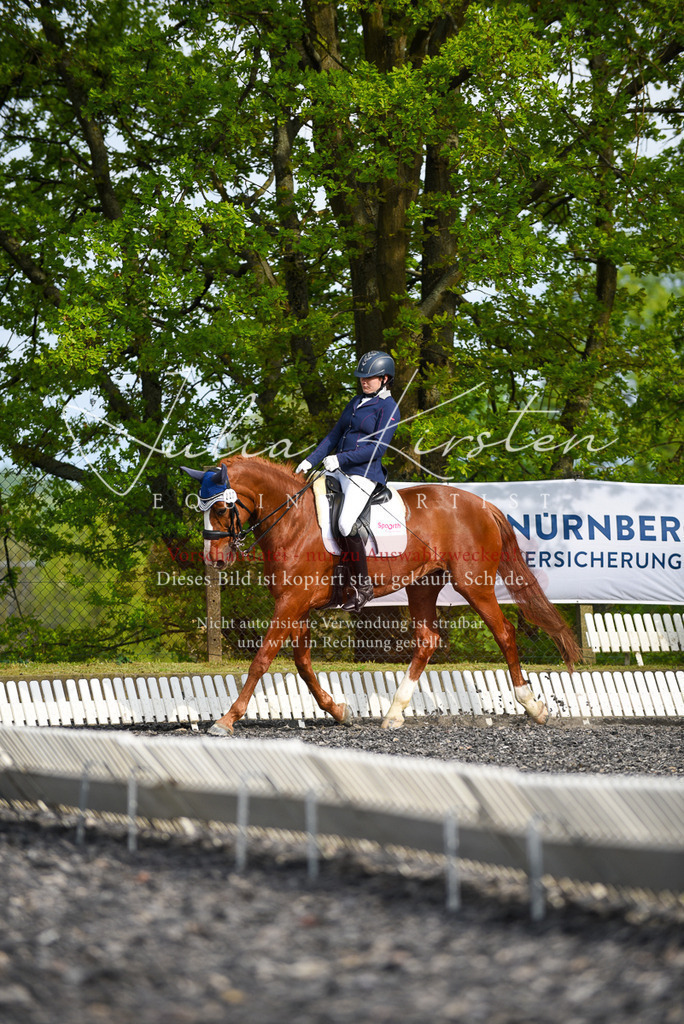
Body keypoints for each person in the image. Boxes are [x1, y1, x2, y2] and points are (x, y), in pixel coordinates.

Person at [296, 350, 400, 611]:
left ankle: (363, 586)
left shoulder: (389, 408)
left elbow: (378, 449)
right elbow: (333, 436)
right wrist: (311, 460)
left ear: (385, 378)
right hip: (337, 470)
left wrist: (341, 460)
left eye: (371, 378)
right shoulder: (355, 402)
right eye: (362, 377)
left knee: (344, 524)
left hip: (364, 475)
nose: (365, 381)